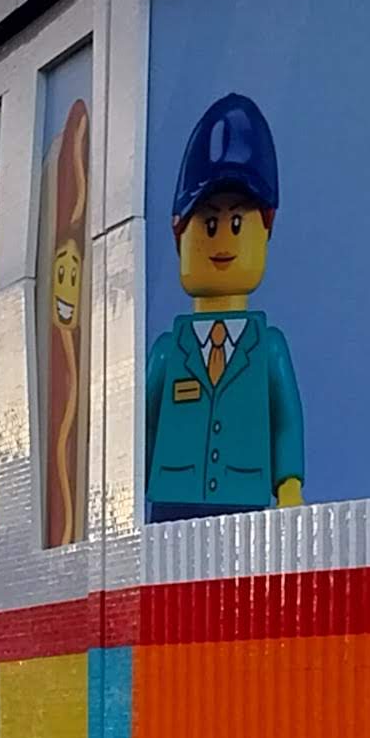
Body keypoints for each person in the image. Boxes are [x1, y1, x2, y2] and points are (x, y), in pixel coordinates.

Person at [141, 92, 306, 519]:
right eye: (208, 223)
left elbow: (286, 421)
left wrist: (288, 486)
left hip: (243, 504)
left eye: (237, 222)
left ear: (264, 230)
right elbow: (143, 429)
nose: (223, 240)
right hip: (170, 507)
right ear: (180, 235)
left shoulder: (268, 349)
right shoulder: (166, 352)